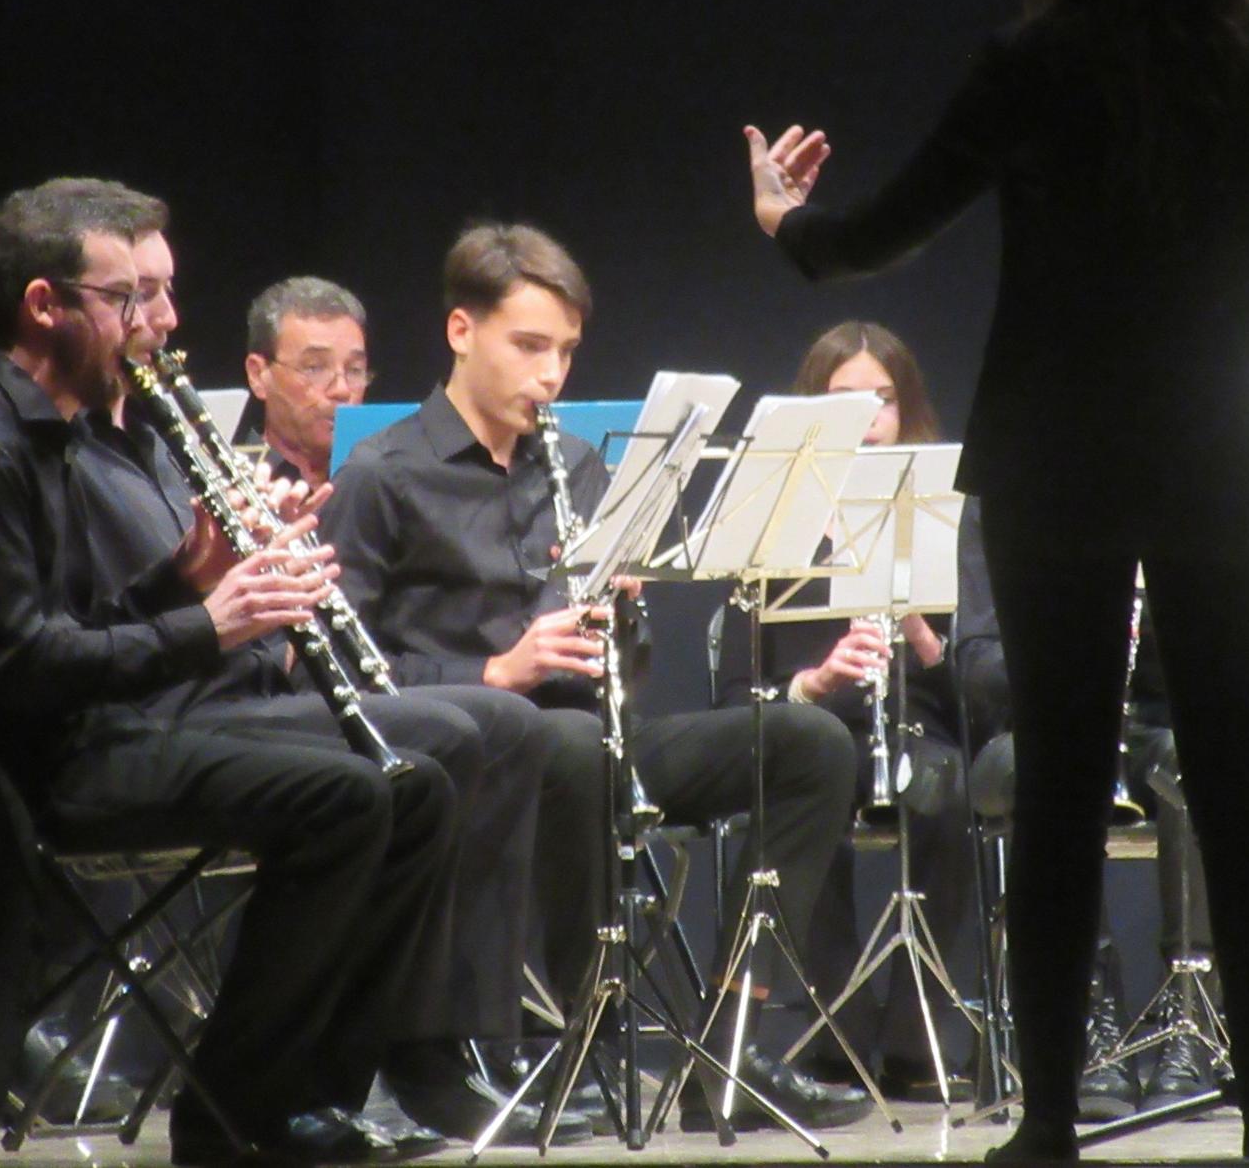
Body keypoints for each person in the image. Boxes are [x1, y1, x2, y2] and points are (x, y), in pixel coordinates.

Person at [745, 0, 1249, 1161]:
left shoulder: (1027, 64)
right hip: (1221, 457)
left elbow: (881, 234)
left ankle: (1051, 1127)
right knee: (1242, 788)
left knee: (1063, 788)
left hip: (1057, 454)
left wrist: (787, 222)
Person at [0, 178, 458, 1168]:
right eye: (130, 299)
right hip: (35, 776)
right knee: (347, 799)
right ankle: (233, 1113)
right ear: (44, 306)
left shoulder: (49, 433)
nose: (164, 323)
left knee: (417, 787)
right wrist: (208, 628)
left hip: (100, 732)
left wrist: (180, 585)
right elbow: (21, 672)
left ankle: (312, 1095)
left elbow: (66, 630)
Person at [322, 222, 874, 1132]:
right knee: (568, 741)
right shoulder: (383, 476)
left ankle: (728, 1052)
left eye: (567, 352)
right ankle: (572, 1036)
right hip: (464, 755)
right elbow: (343, 662)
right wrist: (495, 668)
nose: (552, 375)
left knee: (809, 743)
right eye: (530, 346)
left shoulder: (575, 464)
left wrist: (623, 619)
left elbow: (623, 671)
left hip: (595, 737)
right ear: (461, 331)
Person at [73, 212, 574, 1144]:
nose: (165, 321)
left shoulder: (146, 437)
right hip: (151, 724)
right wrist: (233, 596)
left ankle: (363, 1074)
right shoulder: (72, 447)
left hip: (236, 696)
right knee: (439, 746)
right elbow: (98, 633)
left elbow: (190, 597)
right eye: (137, 297)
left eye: (354, 368)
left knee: (489, 736)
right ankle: (373, 1063)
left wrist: (239, 575)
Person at [714, 320, 995, 1102]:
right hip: (813, 729)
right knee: (815, 789)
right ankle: (836, 1027)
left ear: (907, 413)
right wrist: (817, 680)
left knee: (950, 799)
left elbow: (976, 696)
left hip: (920, 728)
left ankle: (917, 1032)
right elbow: (738, 694)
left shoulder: (950, 514)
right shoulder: (772, 524)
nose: (868, 419)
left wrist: (914, 621)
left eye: (883, 400)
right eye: (844, 401)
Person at [241, 275, 372, 491]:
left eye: (355, 370)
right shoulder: (224, 483)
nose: (342, 390)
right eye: (315, 368)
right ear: (258, 375)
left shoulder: (383, 482)